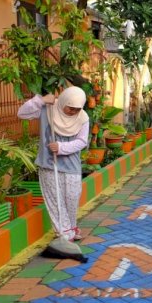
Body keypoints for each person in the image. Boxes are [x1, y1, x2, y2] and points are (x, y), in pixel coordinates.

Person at [17, 87, 89, 242]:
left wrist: (61, 148)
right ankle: (64, 233)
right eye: (70, 107)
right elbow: (21, 113)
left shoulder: (83, 118)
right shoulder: (48, 109)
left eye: (77, 109)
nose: (73, 111)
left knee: (71, 199)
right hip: (49, 165)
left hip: (72, 166)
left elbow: (82, 141)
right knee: (55, 202)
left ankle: (71, 227)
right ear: (63, 101)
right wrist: (40, 100)